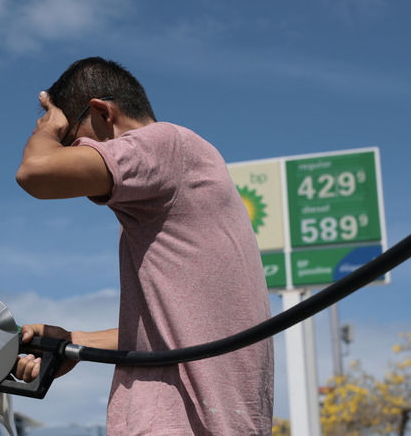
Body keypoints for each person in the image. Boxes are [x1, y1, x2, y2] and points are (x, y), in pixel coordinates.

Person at [15, 57, 273, 435]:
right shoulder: (179, 184)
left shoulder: (162, 144)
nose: (72, 156)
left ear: (103, 113)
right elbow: (183, 331)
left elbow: (36, 172)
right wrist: (76, 342)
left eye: (72, 143)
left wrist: (49, 128)